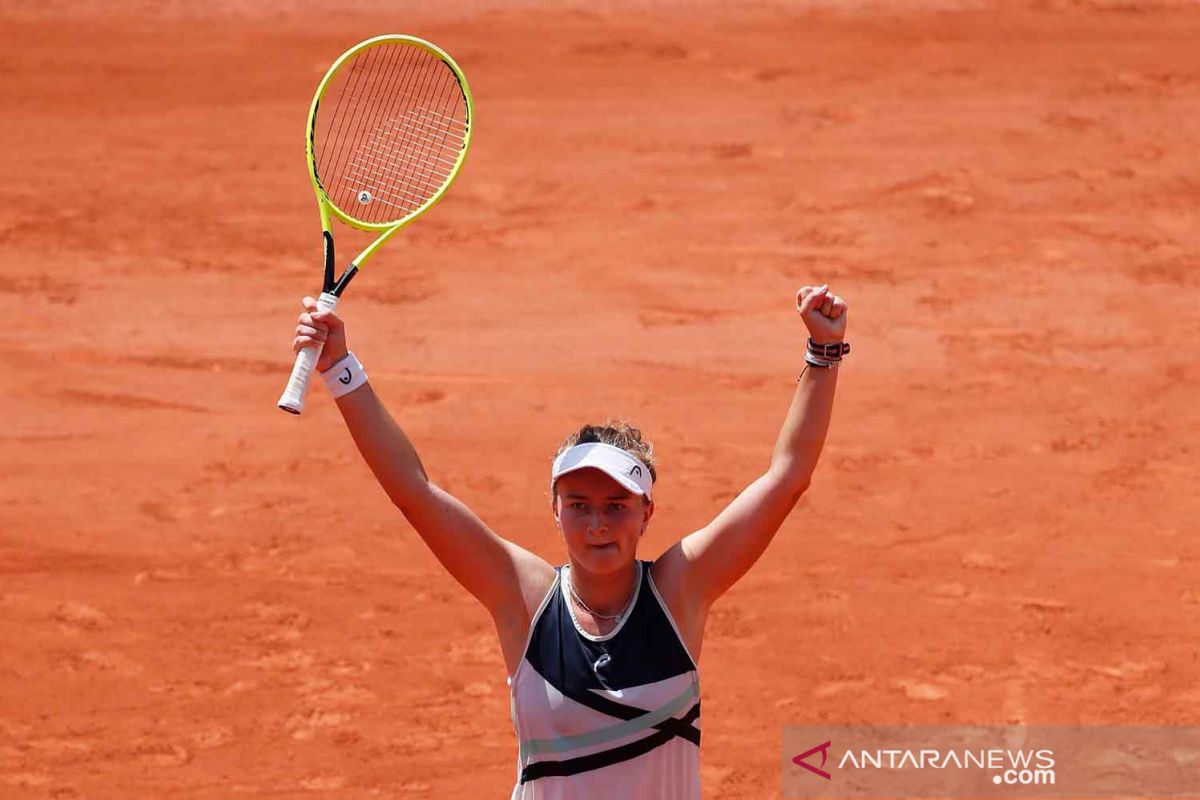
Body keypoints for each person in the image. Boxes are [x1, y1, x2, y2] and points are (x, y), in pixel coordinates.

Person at [290, 284, 849, 799]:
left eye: (616, 506)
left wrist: (823, 354)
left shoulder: (682, 590)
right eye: (578, 505)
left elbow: (787, 477)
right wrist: (341, 367)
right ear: (554, 510)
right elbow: (413, 491)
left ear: (646, 513)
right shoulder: (525, 598)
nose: (597, 524)